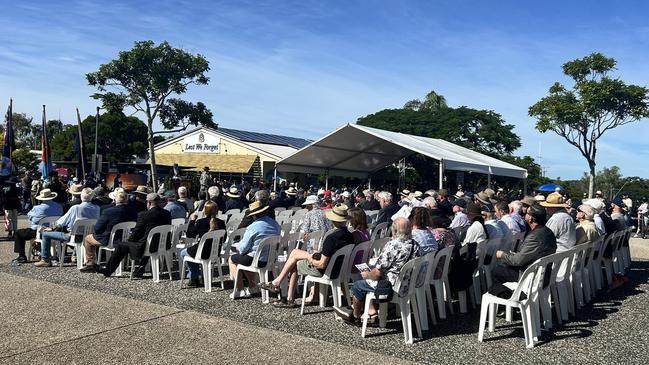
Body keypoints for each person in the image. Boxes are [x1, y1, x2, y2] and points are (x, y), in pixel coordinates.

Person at [259, 204, 353, 308]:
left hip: (326, 270)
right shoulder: (350, 236)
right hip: (340, 269)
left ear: (333, 220)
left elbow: (321, 264)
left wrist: (310, 259)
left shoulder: (331, 238)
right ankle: (277, 283)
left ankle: (288, 297)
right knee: (295, 253)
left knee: (294, 262)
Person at [335, 217, 416, 324]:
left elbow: (378, 272)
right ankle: (371, 311)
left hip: (390, 285)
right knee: (369, 281)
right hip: (407, 284)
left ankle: (355, 316)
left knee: (358, 285)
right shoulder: (415, 244)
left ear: (395, 230)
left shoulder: (393, 245)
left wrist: (367, 275)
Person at [490, 204, 557, 298]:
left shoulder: (535, 236)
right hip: (543, 273)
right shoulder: (548, 232)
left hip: (532, 277)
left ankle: (508, 298)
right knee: (504, 267)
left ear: (531, 219)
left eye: (526, 213)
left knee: (496, 271)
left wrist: (502, 255)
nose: (524, 214)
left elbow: (517, 261)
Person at [99, 193, 172, 277]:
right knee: (147, 240)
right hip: (164, 245)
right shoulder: (167, 214)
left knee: (121, 245)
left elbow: (136, 233)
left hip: (148, 246)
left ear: (149, 203)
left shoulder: (144, 215)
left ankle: (108, 270)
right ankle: (141, 267)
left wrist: (130, 240)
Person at [34, 188, 101, 267]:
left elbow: (62, 221)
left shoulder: (75, 208)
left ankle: (45, 259)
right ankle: (75, 255)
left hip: (75, 236)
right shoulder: (97, 208)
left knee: (45, 234)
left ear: (81, 196)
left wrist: (52, 228)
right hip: (89, 237)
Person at [228, 200, 281, 299]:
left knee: (232, 259)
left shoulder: (253, 227)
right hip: (271, 258)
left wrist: (237, 246)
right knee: (247, 259)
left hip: (256, 259)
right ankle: (253, 287)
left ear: (254, 215)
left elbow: (243, 249)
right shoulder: (275, 224)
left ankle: (239, 289)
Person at [80, 190, 138, 272]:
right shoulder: (133, 211)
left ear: (114, 200)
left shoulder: (108, 211)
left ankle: (90, 264)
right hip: (126, 238)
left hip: (110, 240)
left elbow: (97, 228)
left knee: (88, 239)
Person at [180, 201, 225, 287]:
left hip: (202, 252)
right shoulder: (221, 223)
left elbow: (189, 234)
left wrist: (192, 221)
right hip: (215, 253)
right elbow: (224, 238)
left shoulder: (201, 222)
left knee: (183, 253)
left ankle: (193, 276)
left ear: (205, 211)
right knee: (192, 252)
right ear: (217, 211)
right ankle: (199, 277)